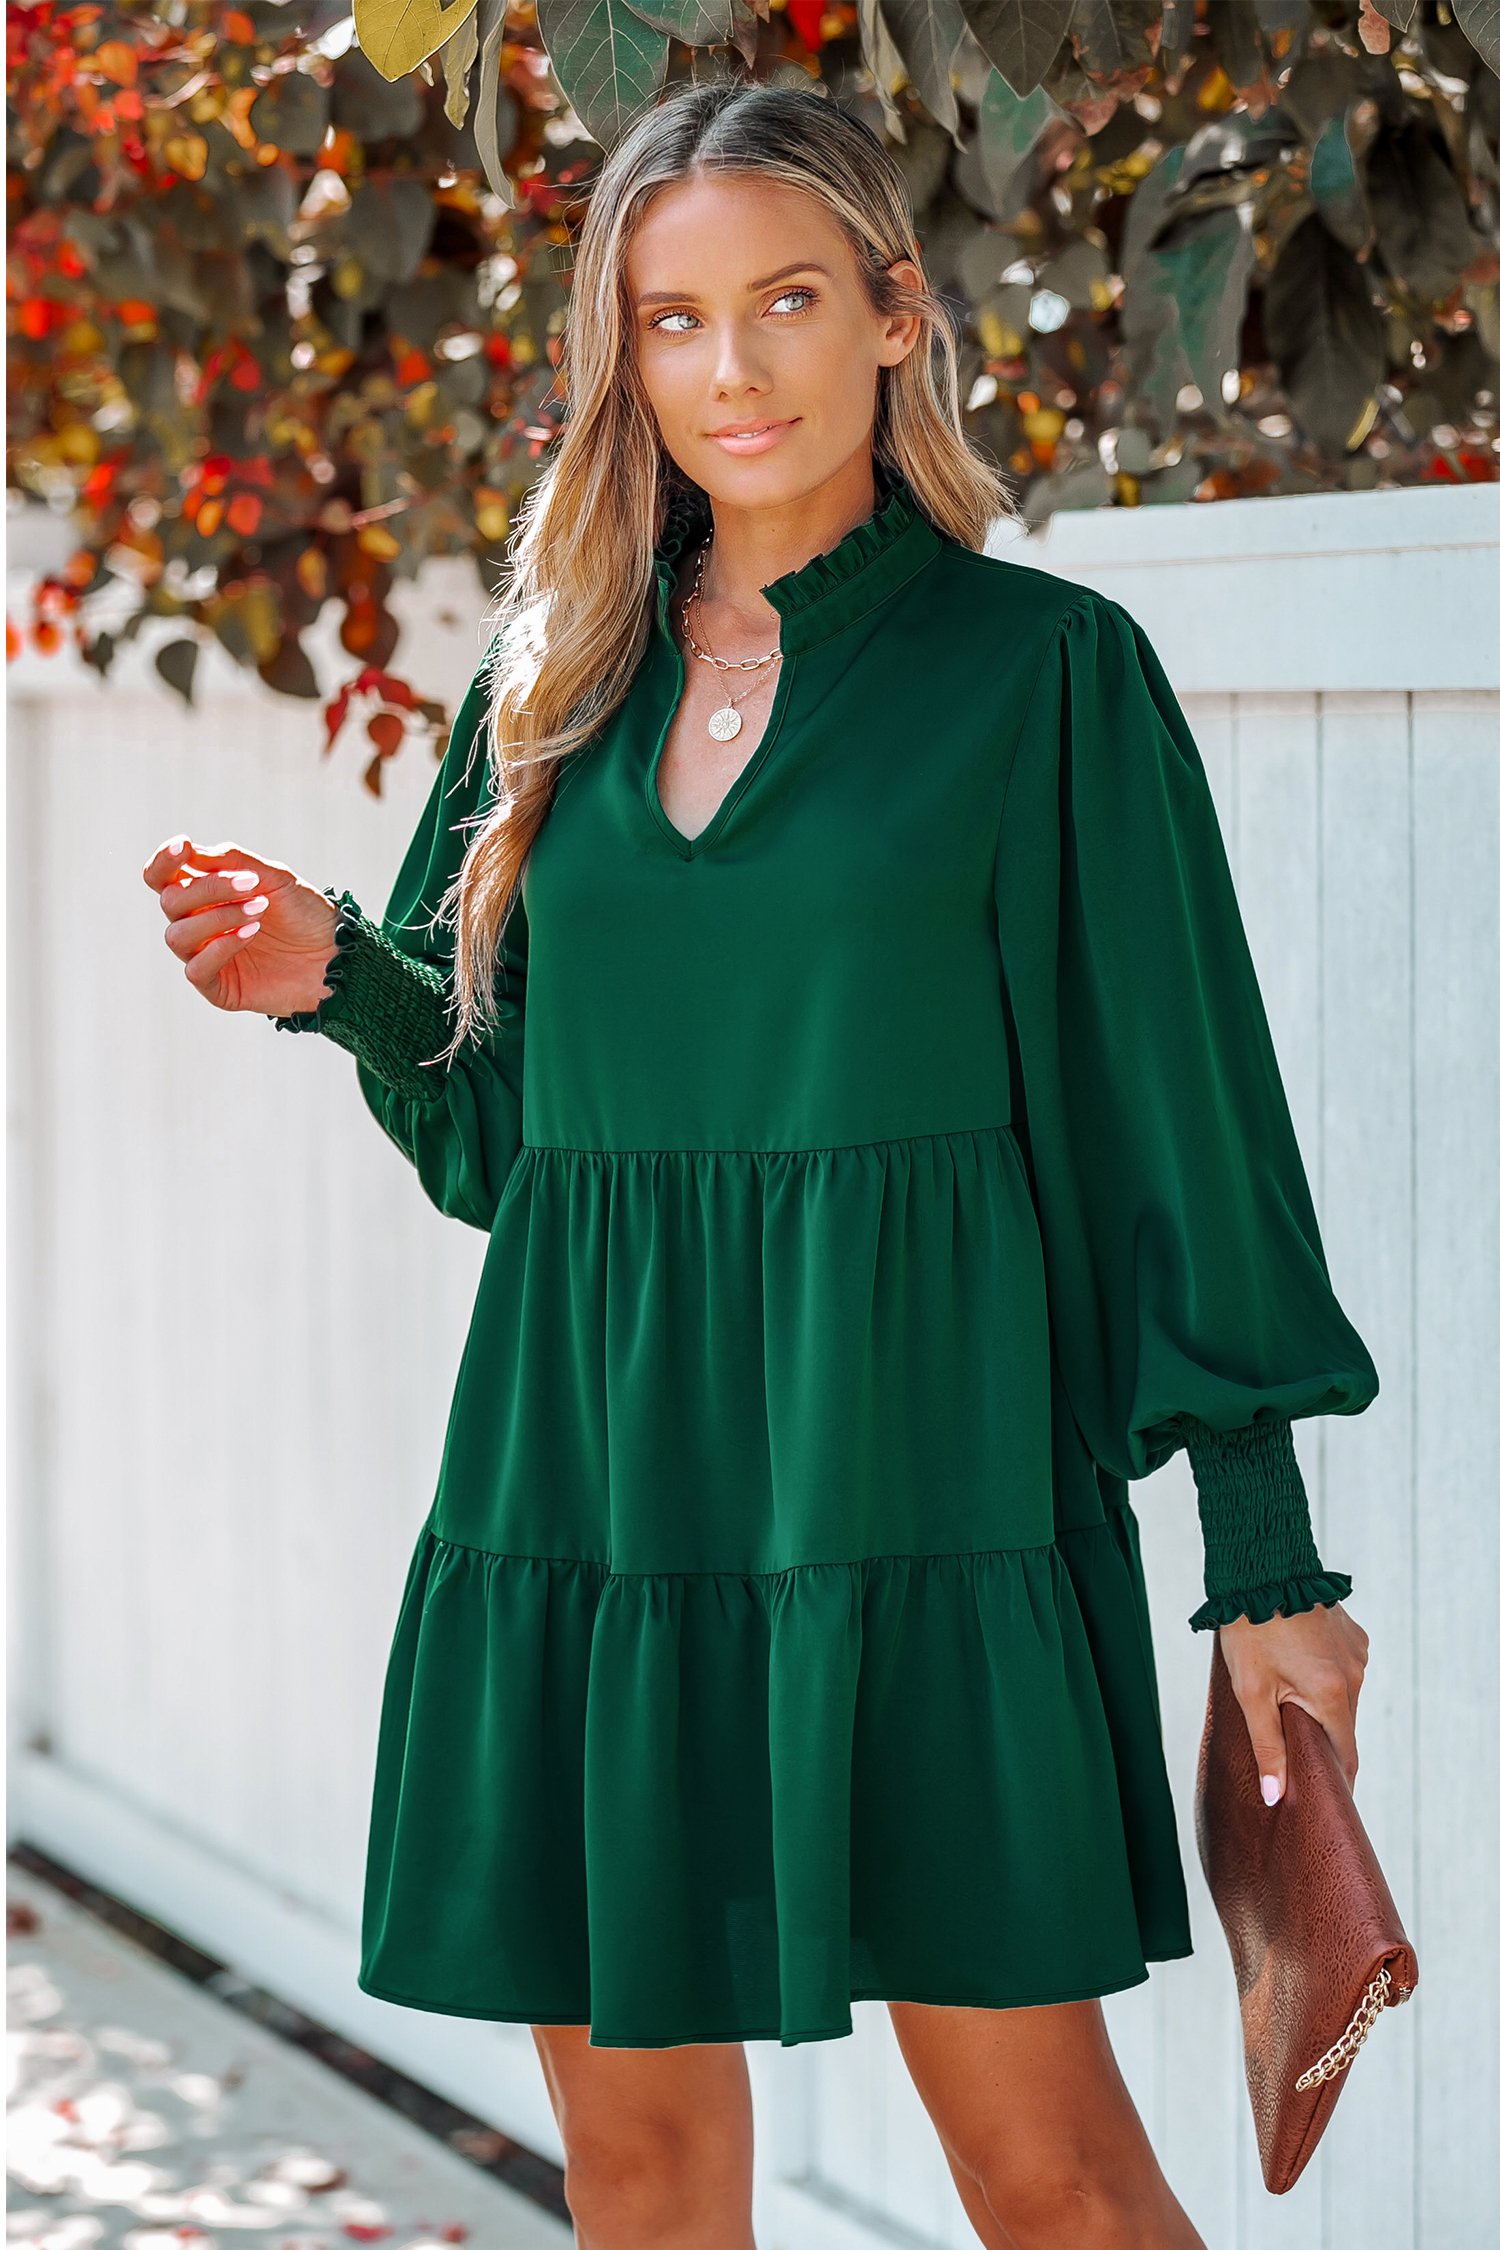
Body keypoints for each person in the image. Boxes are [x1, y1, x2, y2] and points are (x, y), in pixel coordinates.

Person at [144, 79, 1376, 2250]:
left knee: (1055, 2183)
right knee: (637, 2167)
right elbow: (504, 1135)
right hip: (596, 1491)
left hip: (925, 1486)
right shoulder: (550, 684)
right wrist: (337, 977)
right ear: (621, 357)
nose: (735, 367)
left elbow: (1179, 1121)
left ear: (895, 314)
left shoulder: (1044, 677)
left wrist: (1263, 1556)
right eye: (675, 319)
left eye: (788, 300)